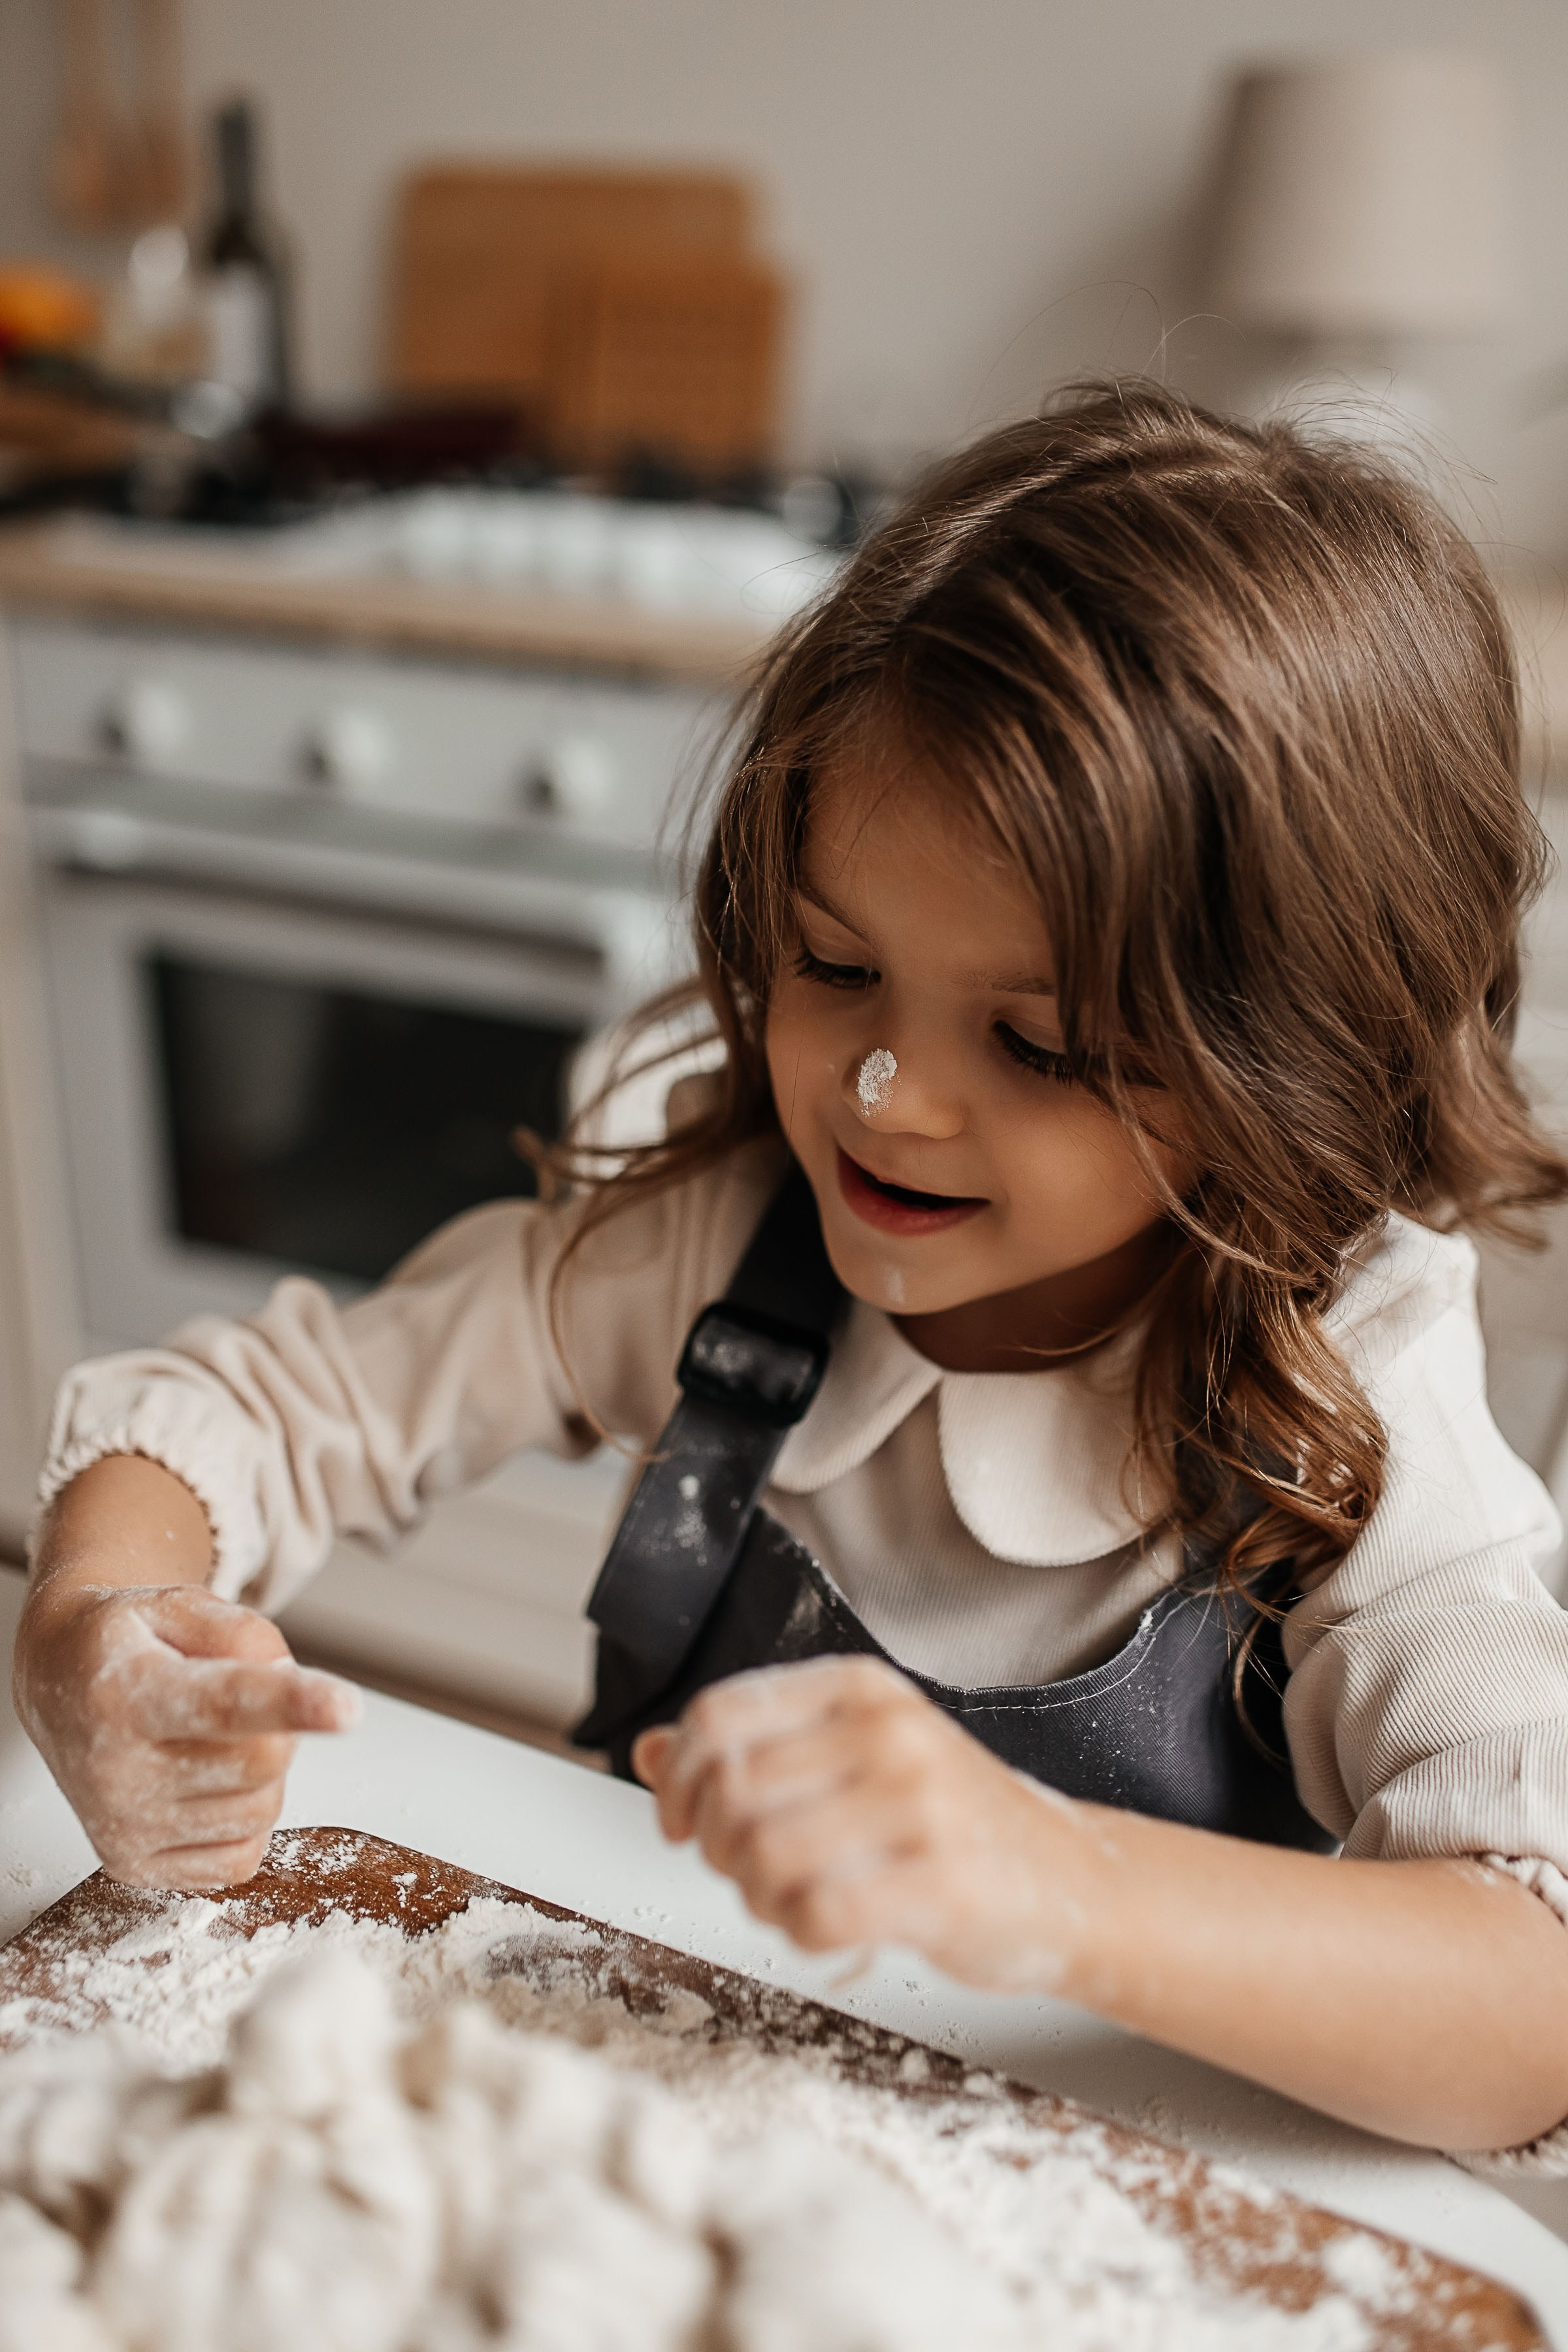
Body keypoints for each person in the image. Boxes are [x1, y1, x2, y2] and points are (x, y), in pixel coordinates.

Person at [16, 385, 1568, 2168]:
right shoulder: (726, 1241)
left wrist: (1052, 1884)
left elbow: (1533, 1994)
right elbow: (244, 1417)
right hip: (657, 2130)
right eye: (835, 966)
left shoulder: (1344, 1395)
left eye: (1045, 1046)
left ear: (1300, 1058)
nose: (889, 1099)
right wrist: (96, 1633)